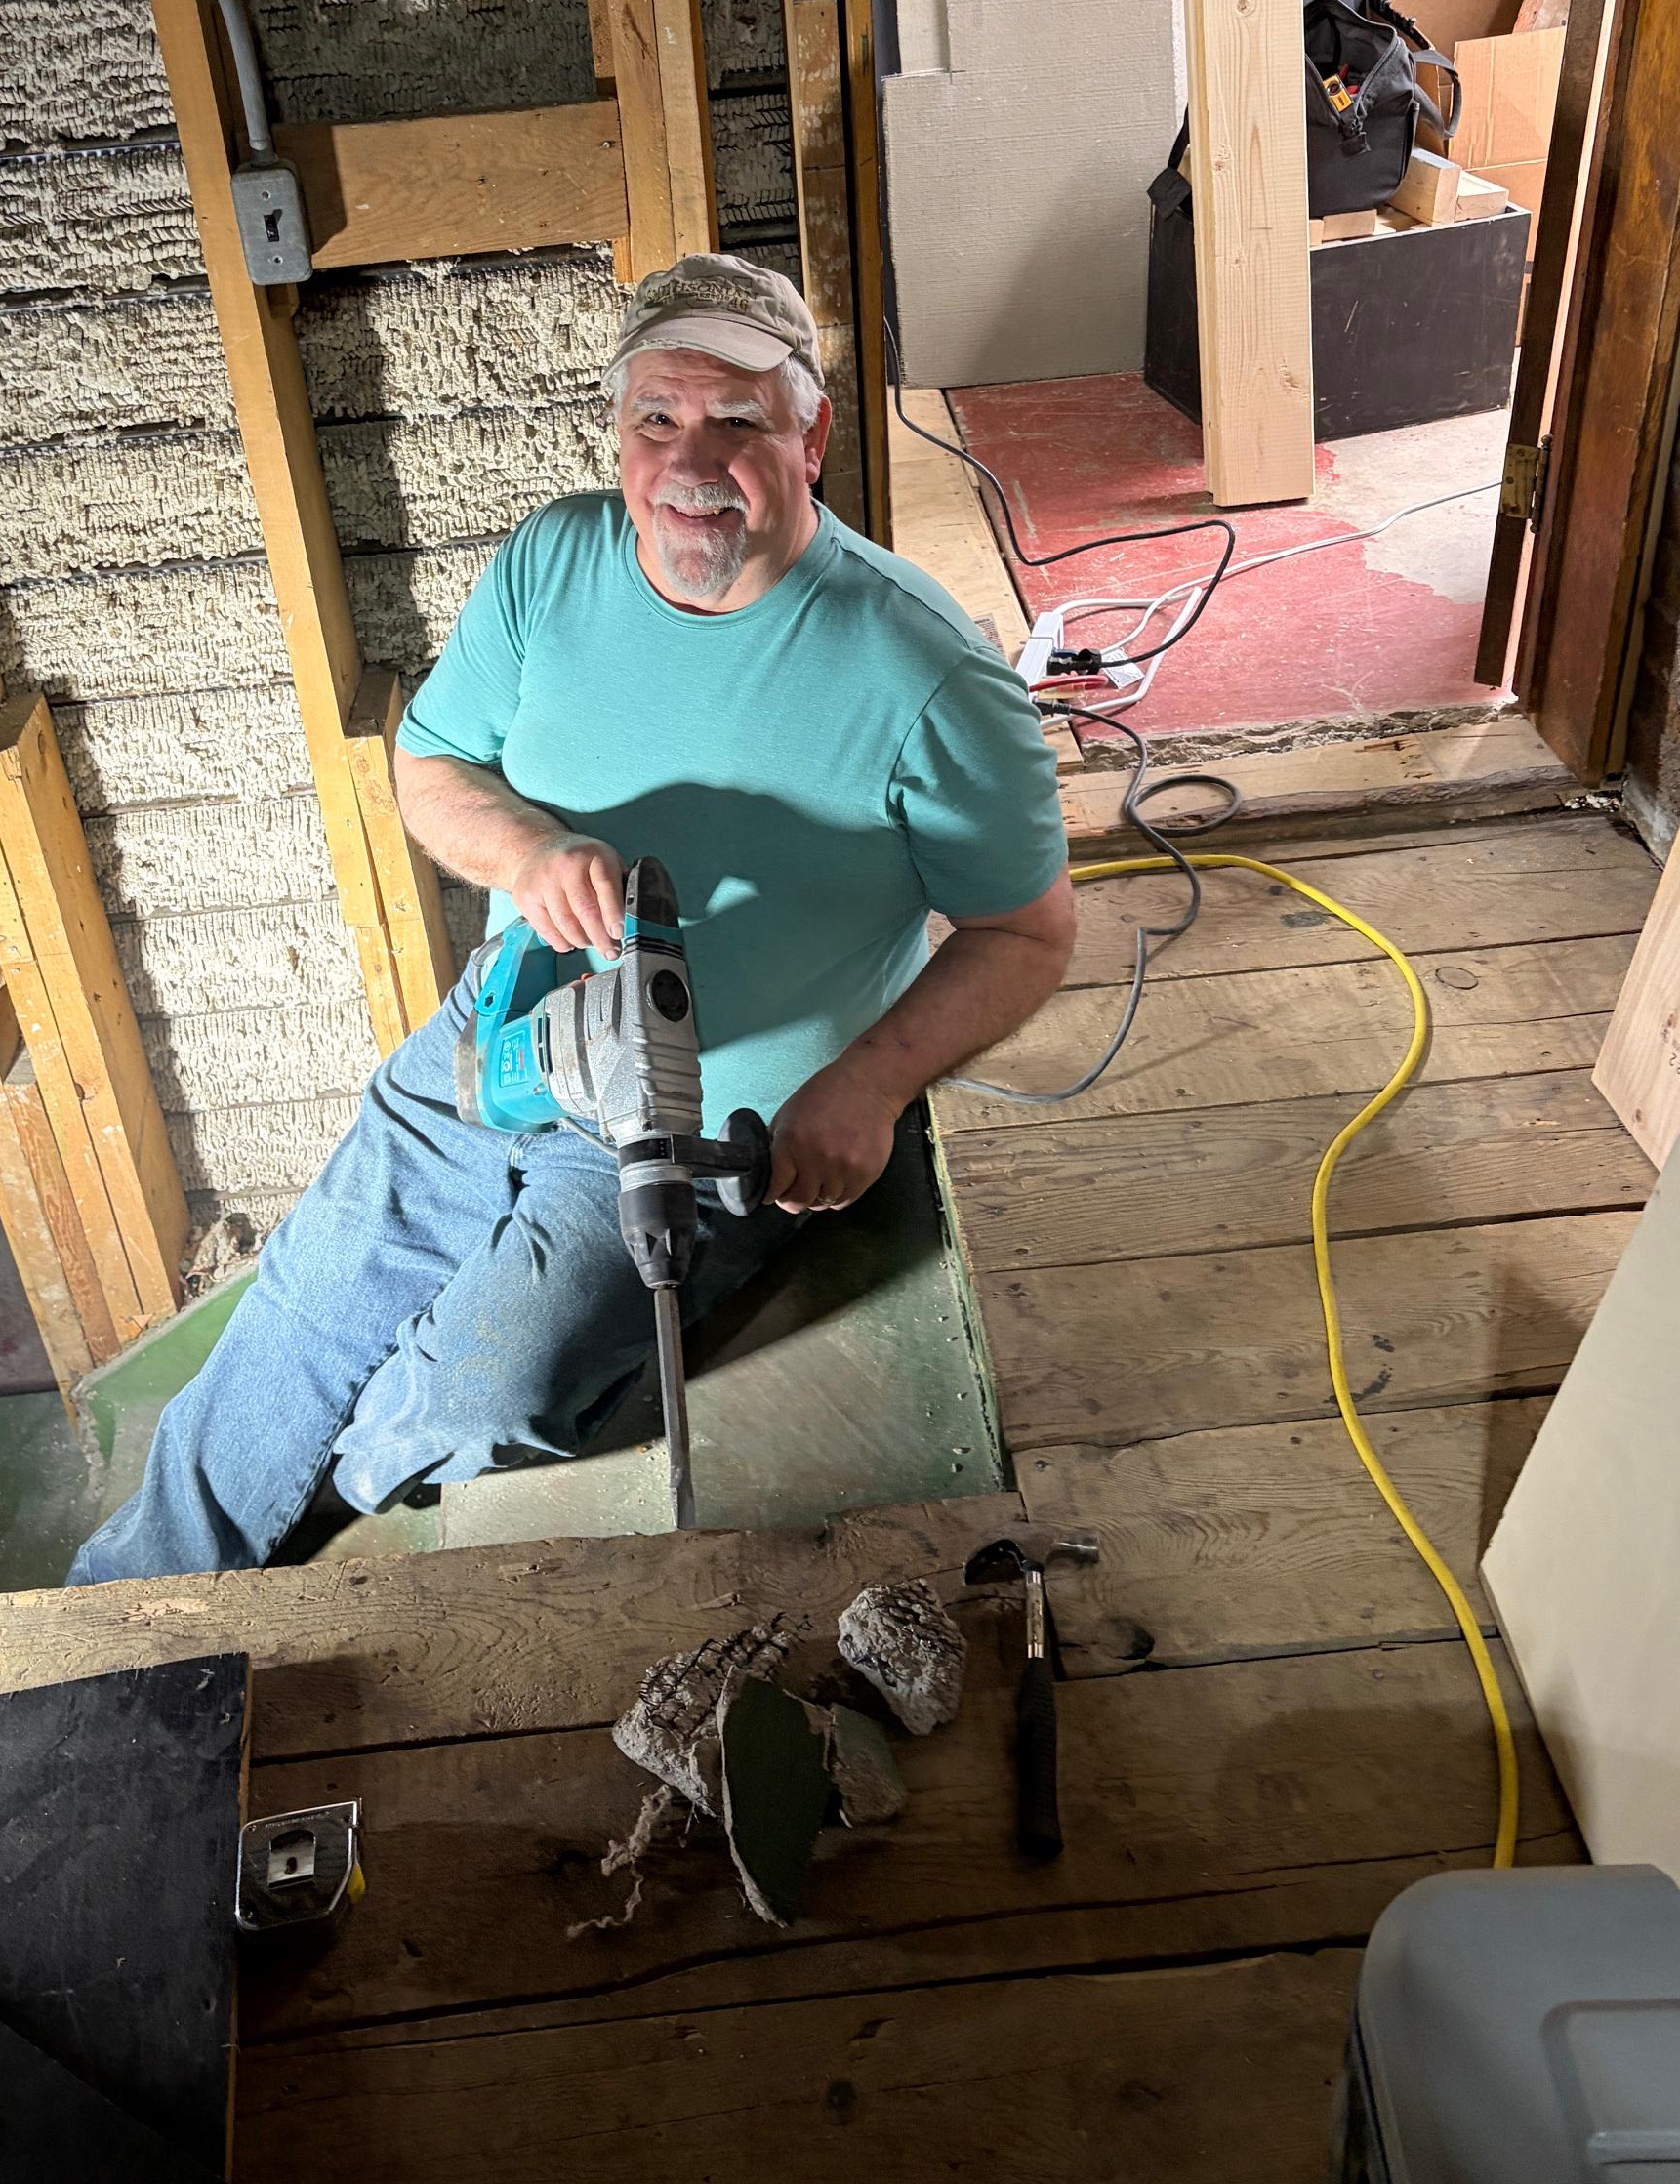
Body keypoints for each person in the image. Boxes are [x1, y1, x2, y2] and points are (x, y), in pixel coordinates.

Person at [70, 253, 1074, 1584]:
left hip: (704, 1130)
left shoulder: (924, 674)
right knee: (304, 1310)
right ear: (618, 430)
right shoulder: (552, 564)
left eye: (736, 419)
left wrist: (870, 1085)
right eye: (657, 417)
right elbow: (431, 765)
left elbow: (1027, 933)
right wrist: (530, 850)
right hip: (499, 1046)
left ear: (811, 434)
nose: (689, 461)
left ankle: (319, 1520)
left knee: (477, 1399)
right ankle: (112, 1623)